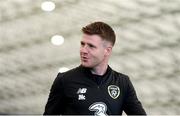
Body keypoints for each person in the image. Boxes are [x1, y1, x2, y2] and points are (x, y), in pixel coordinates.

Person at [44, 21, 146, 115]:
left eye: (91, 46)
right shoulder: (65, 80)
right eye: (82, 44)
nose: (83, 50)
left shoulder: (122, 82)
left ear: (107, 51)